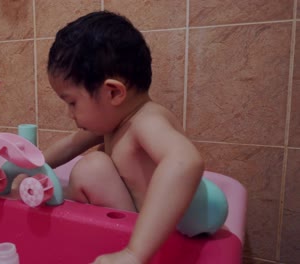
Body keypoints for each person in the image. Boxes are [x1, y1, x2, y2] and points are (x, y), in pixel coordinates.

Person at [43, 11, 205, 264]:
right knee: (91, 166)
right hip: (126, 230)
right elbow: (71, 145)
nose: (69, 114)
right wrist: (30, 166)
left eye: (72, 102)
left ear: (113, 92)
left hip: (153, 243)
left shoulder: (147, 122)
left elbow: (185, 161)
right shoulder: (116, 121)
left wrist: (135, 254)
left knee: (92, 168)